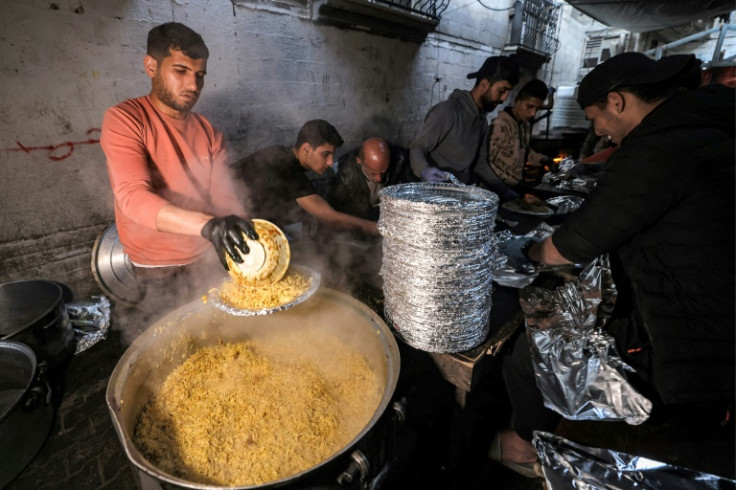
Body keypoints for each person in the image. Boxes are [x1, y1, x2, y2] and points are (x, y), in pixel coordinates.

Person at [496, 52, 734, 474]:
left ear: (618, 102)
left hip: (695, 337)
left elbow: (574, 244)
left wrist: (524, 252)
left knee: (528, 353)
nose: (598, 131)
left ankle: (523, 447)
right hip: (715, 321)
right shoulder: (706, 125)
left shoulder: (657, 148)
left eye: (594, 118)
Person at [100, 22, 257, 301]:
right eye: (181, 71)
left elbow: (224, 196)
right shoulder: (126, 119)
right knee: (175, 340)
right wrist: (208, 225)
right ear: (151, 66)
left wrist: (239, 227)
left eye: (200, 75)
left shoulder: (210, 132)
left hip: (208, 254)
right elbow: (133, 197)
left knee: (225, 337)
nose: (193, 85)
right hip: (158, 268)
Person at [231, 120, 379, 238]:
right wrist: (376, 228)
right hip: (225, 217)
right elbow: (330, 218)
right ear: (306, 149)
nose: (330, 162)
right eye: (325, 154)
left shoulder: (279, 153)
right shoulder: (287, 166)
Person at [409, 56, 520, 184]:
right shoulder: (447, 111)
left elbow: (480, 164)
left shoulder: (482, 122)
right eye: (502, 90)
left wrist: (502, 189)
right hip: (434, 193)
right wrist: (424, 170)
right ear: (484, 84)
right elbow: (417, 147)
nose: (504, 98)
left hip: (459, 195)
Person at [486, 79, 555, 190]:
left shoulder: (524, 125)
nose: (532, 113)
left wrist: (542, 160)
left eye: (536, 109)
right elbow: (486, 164)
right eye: (529, 106)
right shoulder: (500, 125)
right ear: (517, 100)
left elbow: (522, 151)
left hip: (512, 188)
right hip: (494, 188)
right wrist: (514, 183)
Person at [327, 137, 414, 222]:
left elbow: (412, 191)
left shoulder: (401, 159)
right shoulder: (347, 171)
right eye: (373, 173)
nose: (379, 178)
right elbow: (336, 206)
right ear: (359, 161)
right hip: (363, 218)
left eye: (383, 171)